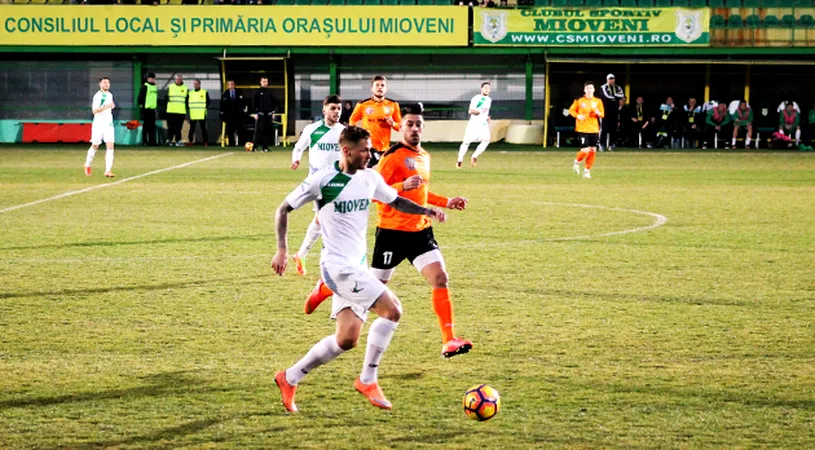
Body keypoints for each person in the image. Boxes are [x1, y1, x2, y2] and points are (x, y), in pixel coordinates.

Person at [271, 126, 447, 413]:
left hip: (357, 266)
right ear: (346, 151)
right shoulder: (322, 180)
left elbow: (395, 200)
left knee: (347, 339)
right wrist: (282, 250)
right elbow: (283, 209)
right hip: (337, 268)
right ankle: (368, 379)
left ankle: (289, 378)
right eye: (364, 150)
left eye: (369, 149)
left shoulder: (369, 178)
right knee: (393, 310)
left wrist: (426, 210)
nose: (369, 154)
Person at [304, 104, 473, 359]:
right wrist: (402, 185)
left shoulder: (424, 156)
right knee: (370, 289)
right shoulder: (391, 157)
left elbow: (422, 192)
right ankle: (327, 287)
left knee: (440, 278)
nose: (414, 129)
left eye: (418, 124)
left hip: (420, 232)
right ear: (400, 127)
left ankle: (449, 340)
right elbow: (370, 193)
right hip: (392, 234)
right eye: (409, 124)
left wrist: (446, 202)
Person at [290, 95, 346, 277]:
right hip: (318, 183)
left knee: (323, 220)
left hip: (339, 182)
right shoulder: (312, 129)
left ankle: (301, 255)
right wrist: (296, 159)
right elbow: (299, 147)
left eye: (339, 108)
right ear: (324, 110)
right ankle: (328, 260)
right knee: (327, 220)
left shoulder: (344, 132)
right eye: (333, 108)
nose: (336, 112)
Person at [350, 75, 401, 167]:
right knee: (365, 172)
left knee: (385, 174)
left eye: (382, 85)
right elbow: (352, 119)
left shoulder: (393, 105)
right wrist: (357, 134)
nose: (380, 87)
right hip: (368, 148)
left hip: (385, 149)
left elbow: (399, 127)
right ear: (371, 89)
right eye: (377, 85)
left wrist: (393, 123)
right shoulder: (363, 104)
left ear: (386, 89)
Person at [570, 81, 604, 179]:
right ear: (584, 90)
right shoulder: (579, 100)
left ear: (594, 90)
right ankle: (576, 162)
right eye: (587, 88)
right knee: (585, 151)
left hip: (594, 129)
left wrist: (598, 112)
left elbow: (602, 114)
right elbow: (571, 110)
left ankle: (587, 171)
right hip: (582, 128)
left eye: (591, 88)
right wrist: (578, 116)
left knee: (593, 150)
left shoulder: (598, 101)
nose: (589, 90)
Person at [84, 77, 116, 178]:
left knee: (110, 146)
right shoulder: (98, 96)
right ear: (100, 84)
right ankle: (87, 164)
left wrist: (111, 106)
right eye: (104, 82)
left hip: (108, 124)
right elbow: (94, 111)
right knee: (95, 145)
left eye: (108, 82)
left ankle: (108, 170)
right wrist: (107, 106)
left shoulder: (110, 95)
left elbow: (110, 106)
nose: (106, 84)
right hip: (98, 125)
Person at [456, 82, 492, 168]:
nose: (487, 90)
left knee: (486, 140)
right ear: (481, 89)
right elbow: (470, 111)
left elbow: (485, 112)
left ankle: (474, 156)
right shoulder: (477, 98)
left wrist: (487, 117)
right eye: (485, 88)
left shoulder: (489, 99)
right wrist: (478, 112)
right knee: (466, 142)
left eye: (488, 88)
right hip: (474, 124)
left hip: (483, 124)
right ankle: (459, 160)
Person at [251, 76, 279, 152]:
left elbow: (273, 103)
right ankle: (254, 147)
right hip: (260, 115)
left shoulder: (270, 92)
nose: (265, 83)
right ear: (260, 82)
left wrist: (273, 112)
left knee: (266, 131)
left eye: (266, 81)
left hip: (268, 115)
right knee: (258, 131)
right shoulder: (257, 92)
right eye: (263, 81)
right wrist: (255, 113)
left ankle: (265, 147)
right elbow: (254, 103)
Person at [599, 74, 625, 151]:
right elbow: (605, 96)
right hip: (605, 111)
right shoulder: (603, 87)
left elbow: (622, 95)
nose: (611, 80)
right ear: (607, 80)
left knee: (613, 128)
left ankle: (612, 144)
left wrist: (613, 96)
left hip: (614, 110)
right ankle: (602, 145)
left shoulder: (618, 87)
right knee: (604, 128)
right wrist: (615, 96)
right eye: (610, 79)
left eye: (612, 79)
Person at [220, 80, 245, 147]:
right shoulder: (224, 94)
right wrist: (222, 115)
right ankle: (231, 143)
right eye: (229, 84)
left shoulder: (239, 92)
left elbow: (243, 102)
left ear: (234, 85)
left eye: (232, 84)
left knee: (240, 129)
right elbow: (222, 105)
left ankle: (241, 143)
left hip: (238, 115)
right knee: (230, 130)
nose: (231, 85)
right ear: (227, 85)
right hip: (229, 116)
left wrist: (243, 111)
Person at [166, 74, 188, 147]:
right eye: (177, 79)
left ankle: (178, 140)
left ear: (182, 79)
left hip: (181, 111)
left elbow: (187, 100)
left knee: (179, 127)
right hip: (171, 110)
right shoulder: (170, 87)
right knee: (170, 127)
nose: (178, 80)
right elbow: (165, 99)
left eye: (179, 79)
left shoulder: (185, 88)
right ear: (175, 79)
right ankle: (169, 140)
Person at [186, 79, 210, 146]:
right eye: (194, 84)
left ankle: (205, 142)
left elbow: (208, 102)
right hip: (193, 114)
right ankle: (190, 141)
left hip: (201, 114)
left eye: (196, 83)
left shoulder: (204, 92)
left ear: (199, 84)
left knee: (203, 128)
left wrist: (204, 108)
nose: (195, 85)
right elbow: (187, 102)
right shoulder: (190, 93)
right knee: (191, 129)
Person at [137, 72, 158, 146]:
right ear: (148, 79)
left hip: (152, 109)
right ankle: (145, 141)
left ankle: (152, 141)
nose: (152, 79)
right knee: (146, 126)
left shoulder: (155, 87)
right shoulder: (145, 86)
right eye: (150, 78)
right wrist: (142, 106)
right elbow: (140, 98)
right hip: (146, 109)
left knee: (152, 126)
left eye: (153, 78)